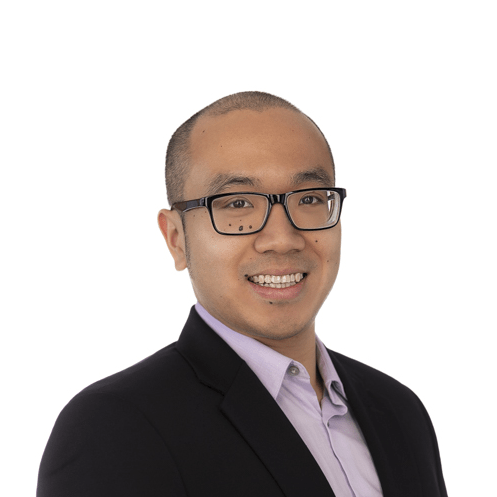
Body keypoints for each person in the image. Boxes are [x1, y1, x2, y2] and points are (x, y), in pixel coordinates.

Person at [37, 91, 448, 497]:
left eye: (307, 198)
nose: (282, 239)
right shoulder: (114, 430)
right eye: (236, 204)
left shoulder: (398, 411)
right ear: (176, 238)